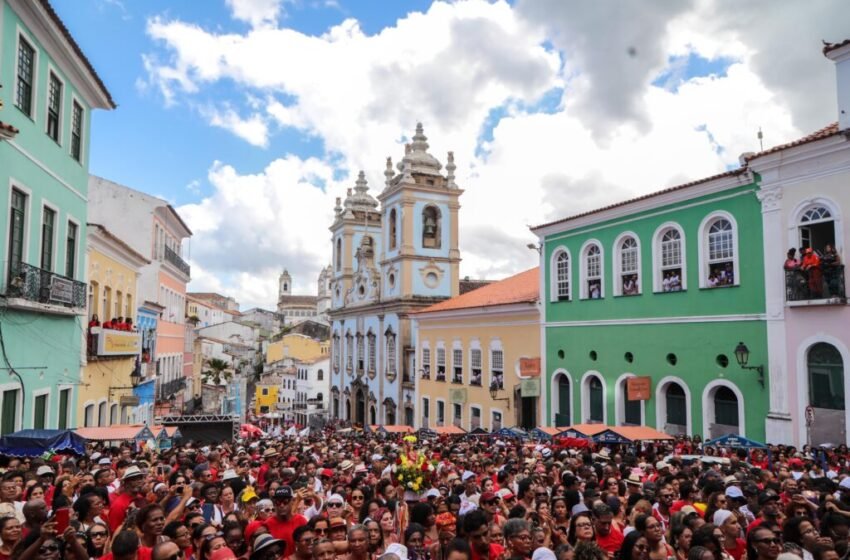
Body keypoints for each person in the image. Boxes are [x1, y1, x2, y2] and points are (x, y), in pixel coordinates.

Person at [263, 487, 306, 558]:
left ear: (292, 501)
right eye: (278, 502)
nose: (282, 505)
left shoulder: (301, 520)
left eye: (285, 501)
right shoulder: (267, 524)